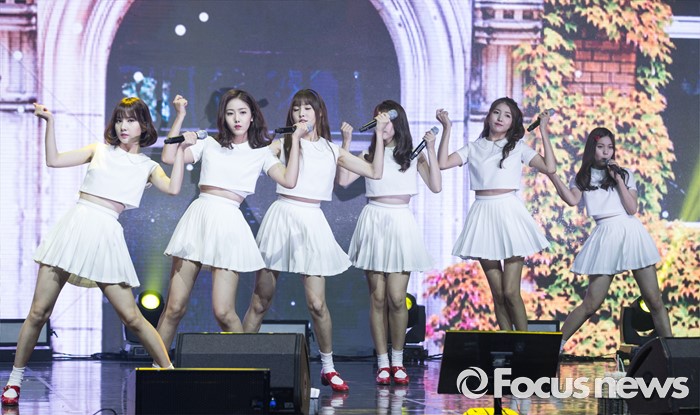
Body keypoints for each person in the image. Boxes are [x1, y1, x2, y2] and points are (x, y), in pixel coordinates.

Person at [1, 98, 190, 407]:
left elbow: (173, 189)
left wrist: (180, 149)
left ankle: (169, 374)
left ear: (144, 125)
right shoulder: (98, 149)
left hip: (106, 235)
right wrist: (49, 122)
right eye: (119, 119)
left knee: (132, 317)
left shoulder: (148, 166)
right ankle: (14, 380)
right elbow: (54, 160)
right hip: (74, 226)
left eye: (131, 120)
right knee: (38, 313)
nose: (123, 126)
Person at [242, 88, 387, 392]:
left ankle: (328, 367)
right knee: (261, 299)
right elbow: (255, 158)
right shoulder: (283, 142)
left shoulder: (332, 150)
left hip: (313, 221)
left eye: (307, 108)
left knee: (317, 303)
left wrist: (378, 135)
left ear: (319, 112)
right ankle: (238, 363)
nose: (301, 113)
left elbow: (374, 171)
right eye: (296, 108)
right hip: (282, 216)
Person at [155, 91, 300, 350]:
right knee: (174, 307)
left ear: (252, 116)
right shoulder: (210, 144)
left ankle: (247, 367)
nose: (237, 119)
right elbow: (168, 156)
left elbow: (289, 180)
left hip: (230, 224)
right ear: (223, 117)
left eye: (242, 112)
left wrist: (296, 140)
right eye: (231, 113)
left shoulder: (262, 153)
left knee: (223, 311)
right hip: (198, 218)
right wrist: (180, 117)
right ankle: (158, 367)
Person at [337, 101, 447, 385]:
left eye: (386, 119)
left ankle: (398, 360)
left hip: (400, 223)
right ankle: (383, 362)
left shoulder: (412, 155)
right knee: (377, 297)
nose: (381, 124)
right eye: (378, 119)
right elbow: (344, 180)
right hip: (374, 221)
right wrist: (346, 142)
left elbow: (436, 186)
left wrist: (431, 148)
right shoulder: (369, 154)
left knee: (398, 298)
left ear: (397, 122)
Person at [545, 127, 672, 351]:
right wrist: (553, 176)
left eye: (610, 147)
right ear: (592, 149)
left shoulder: (624, 174)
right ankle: (554, 346)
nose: (606, 152)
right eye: (601, 147)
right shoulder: (583, 178)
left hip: (630, 232)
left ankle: (671, 351)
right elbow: (572, 200)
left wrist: (618, 179)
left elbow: (631, 208)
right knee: (591, 303)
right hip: (605, 235)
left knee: (654, 299)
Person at [437, 97, 555, 331]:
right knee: (498, 294)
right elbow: (442, 163)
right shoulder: (474, 147)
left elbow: (549, 167)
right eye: (496, 112)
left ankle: (524, 344)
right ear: (489, 116)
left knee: (511, 291)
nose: (500, 118)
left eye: (507, 115)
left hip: (509, 213)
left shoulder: (518, 147)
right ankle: (508, 343)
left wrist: (543, 131)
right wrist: (447, 128)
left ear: (513, 123)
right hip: (483, 215)